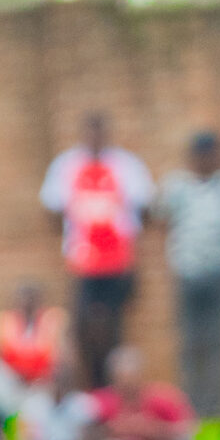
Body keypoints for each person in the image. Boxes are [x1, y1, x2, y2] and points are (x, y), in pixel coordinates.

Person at [153, 130, 220, 421]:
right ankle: (191, 406)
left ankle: (215, 407)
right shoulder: (177, 187)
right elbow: (162, 221)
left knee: (217, 341)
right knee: (190, 342)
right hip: (187, 272)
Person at [40, 113, 155, 386]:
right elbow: (52, 208)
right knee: (83, 328)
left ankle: (114, 388)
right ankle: (93, 386)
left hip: (118, 262)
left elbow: (145, 205)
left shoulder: (125, 165)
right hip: (83, 263)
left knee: (115, 328)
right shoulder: (67, 165)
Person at [0, 284, 70, 416]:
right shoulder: (2, 321)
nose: (26, 303)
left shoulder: (53, 320)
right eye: (22, 299)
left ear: (39, 300)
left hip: (42, 383)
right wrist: (17, 375)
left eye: (31, 299)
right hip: (12, 381)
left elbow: (59, 356)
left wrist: (39, 377)